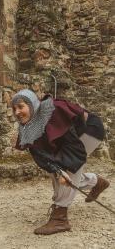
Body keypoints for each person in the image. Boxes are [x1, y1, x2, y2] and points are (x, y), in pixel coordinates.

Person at [12, 89, 110, 235]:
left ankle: (60, 218)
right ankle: (95, 182)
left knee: (69, 169)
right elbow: (42, 156)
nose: (17, 112)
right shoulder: (28, 128)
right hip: (70, 141)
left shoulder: (54, 111)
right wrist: (57, 171)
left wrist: (62, 171)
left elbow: (72, 149)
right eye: (14, 109)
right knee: (60, 172)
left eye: (20, 107)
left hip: (89, 130)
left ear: (32, 104)